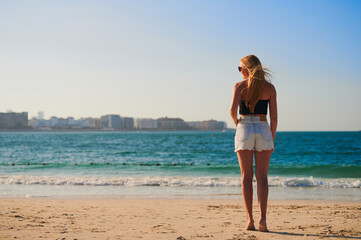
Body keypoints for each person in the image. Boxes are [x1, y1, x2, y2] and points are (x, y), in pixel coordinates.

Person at [229, 55, 277, 232]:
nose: (240, 71)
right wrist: (271, 136)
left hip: (244, 127)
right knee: (263, 177)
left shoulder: (239, 86)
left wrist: (238, 124)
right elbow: (274, 116)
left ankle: (249, 220)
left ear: (247, 68)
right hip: (263, 127)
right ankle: (263, 220)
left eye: (240, 67)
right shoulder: (269, 88)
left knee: (246, 176)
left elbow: (232, 111)